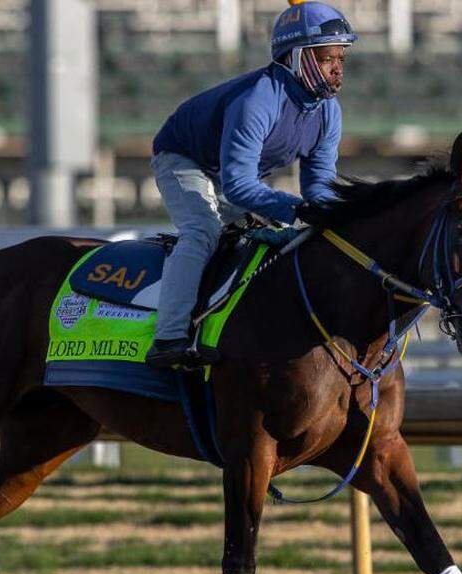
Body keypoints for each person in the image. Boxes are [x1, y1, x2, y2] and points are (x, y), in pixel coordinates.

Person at [144, 0, 355, 369]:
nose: (337, 69)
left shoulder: (328, 113)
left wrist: (331, 214)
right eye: (326, 59)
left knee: (277, 236)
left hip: (232, 174)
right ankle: (168, 338)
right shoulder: (258, 99)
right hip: (184, 160)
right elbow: (239, 185)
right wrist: (297, 209)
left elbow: (318, 185)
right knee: (203, 230)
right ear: (295, 58)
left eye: (341, 59)